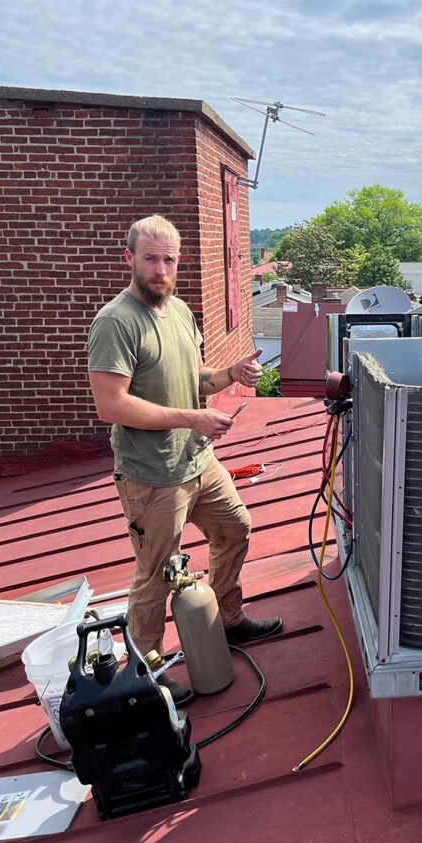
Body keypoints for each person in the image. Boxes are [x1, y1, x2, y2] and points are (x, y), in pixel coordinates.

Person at [87, 214, 281, 705]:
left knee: (235, 527)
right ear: (128, 258)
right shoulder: (116, 321)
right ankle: (148, 670)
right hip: (152, 476)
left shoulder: (179, 311)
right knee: (156, 574)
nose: (160, 268)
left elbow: (194, 377)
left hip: (197, 462)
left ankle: (228, 619)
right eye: (150, 258)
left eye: (168, 259)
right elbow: (111, 404)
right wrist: (190, 419)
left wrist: (230, 373)